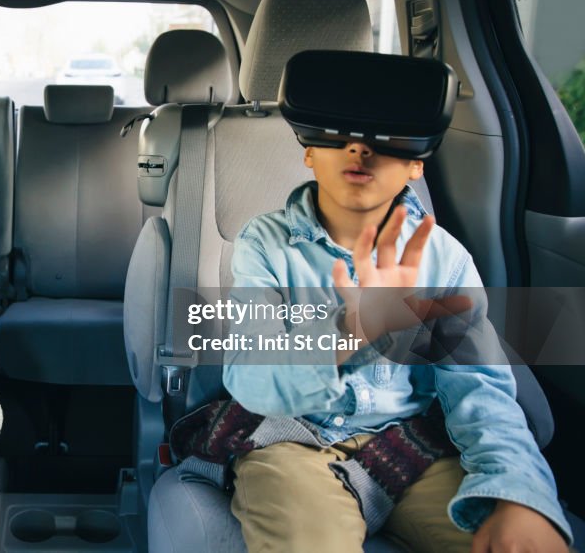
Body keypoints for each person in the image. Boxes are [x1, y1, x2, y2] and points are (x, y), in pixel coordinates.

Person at [221, 139, 571, 552]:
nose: (359, 147)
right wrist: (353, 330)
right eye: (338, 133)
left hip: (415, 444)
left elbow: (480, 390)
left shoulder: (444, 257)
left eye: (386, 138)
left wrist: (518, 490)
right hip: (293, 440)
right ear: (309, 152)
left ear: (416, 166)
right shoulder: (263, 244)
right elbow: (250, 376)